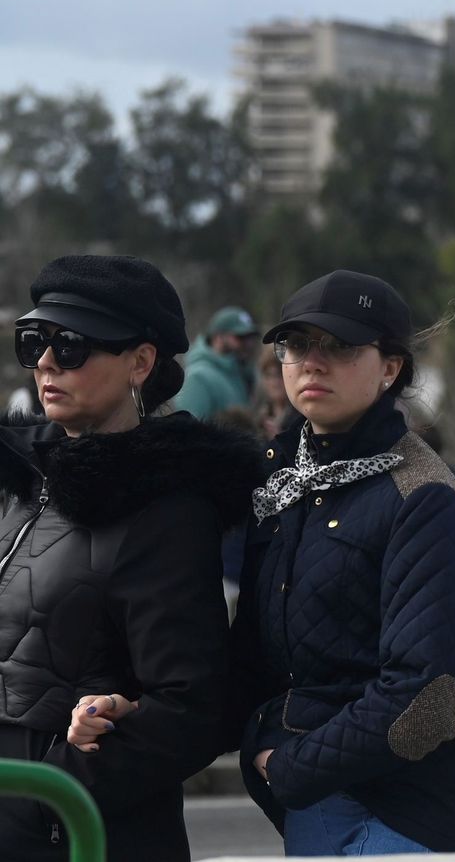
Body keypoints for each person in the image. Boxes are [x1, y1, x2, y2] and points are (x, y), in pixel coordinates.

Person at [74, 269, 455, 856]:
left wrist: (289, 765)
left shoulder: (422, 497)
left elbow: (426, 701)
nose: (312, 363)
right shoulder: (283, 481)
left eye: (340, 347)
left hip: (406, 811)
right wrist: (138, 714)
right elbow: (254, 658)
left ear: (390, 368)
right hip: (315, 800)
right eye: (296, 345)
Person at [0, 254, 261, 862]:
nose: (44, 362)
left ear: (140, 363)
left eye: (71, 347)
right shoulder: (19, 482)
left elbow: (188, 706)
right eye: (34, 340)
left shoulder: (166, 506)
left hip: (80, 833)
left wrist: (48, 800)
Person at [171, 305, 259, 421]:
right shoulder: (198, 377)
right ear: (218, 337)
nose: (248, 344)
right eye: (240, 337)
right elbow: (187, 432)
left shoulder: (239, 371)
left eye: (249, 338)